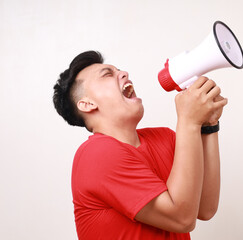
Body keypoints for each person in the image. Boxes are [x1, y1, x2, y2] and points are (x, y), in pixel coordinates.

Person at [53, 50, 228, 240]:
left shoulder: (164, 137)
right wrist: (189, 121)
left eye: (119, 70)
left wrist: (208, 125)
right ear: (87, 104)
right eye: (107, 74)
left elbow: (205, 208)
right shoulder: (95, 154)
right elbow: (182, 219)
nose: (124, 73)